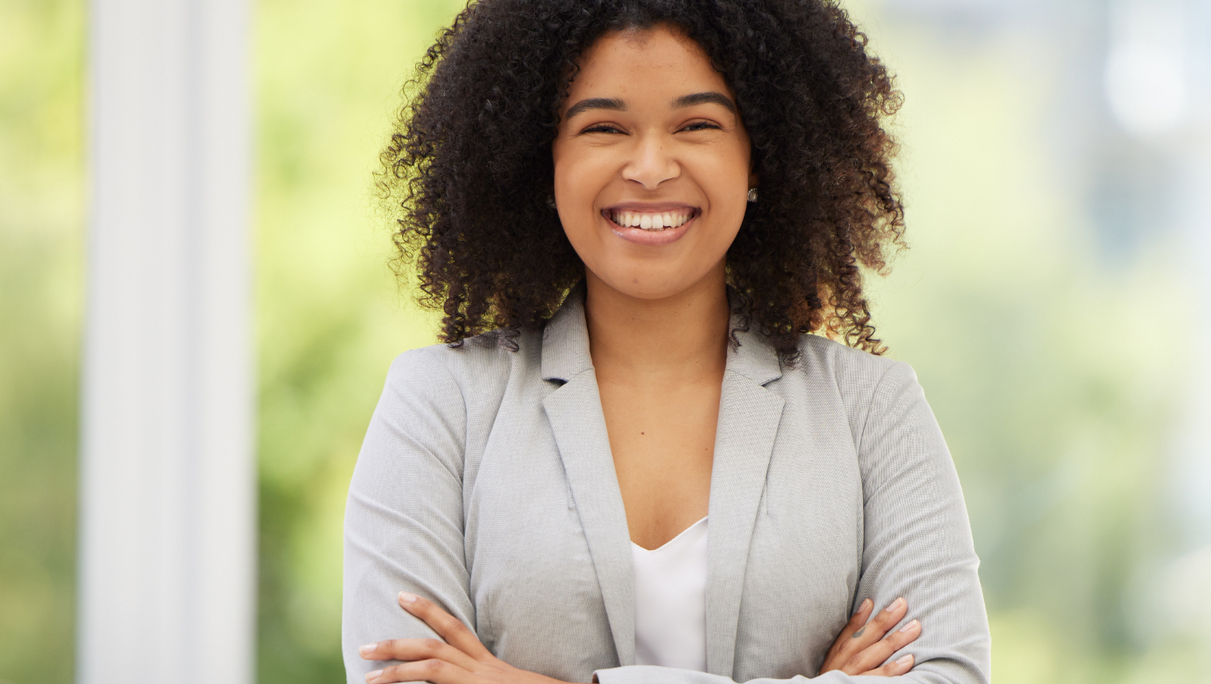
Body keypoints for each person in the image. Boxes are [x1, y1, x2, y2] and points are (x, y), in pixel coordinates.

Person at [339, 1, 990, 683]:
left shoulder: (872, 412)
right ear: (543, 160)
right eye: (604, 127)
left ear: (760, 154)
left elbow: (947, 674)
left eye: (698, 124)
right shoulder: (438, 408)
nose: (650, 167)